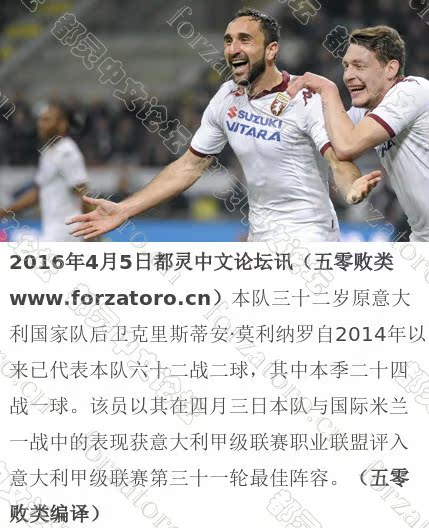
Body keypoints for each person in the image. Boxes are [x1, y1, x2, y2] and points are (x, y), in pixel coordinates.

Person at [67, 8, 380, 242]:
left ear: (271, 50)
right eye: (229, 40)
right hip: (260, 238)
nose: (233, 49)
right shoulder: (226, 96)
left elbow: (337, 161)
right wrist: (125, 209)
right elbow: (188, 167)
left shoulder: (304, 96)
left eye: (245, 39)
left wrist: (352, 187)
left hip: (310, 237)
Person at [287, 25, 429, 241]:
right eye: (346, 66)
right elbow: (326, 139)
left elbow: (347, 146)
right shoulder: (365, 111)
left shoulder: (412, 91)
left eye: (359, 66)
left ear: (390, 69)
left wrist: (328, 89)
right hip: (421, 237)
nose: (348, 76)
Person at [1, 102, 89, 241]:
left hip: (67, 231)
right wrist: (4, 211)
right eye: (40, 120)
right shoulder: (48, 152)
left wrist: (93, 231)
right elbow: (36, 194)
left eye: (47, 120)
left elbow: (82, 194)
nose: (41, 124)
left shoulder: (68, 152)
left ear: (62, 124)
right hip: (52, 229)